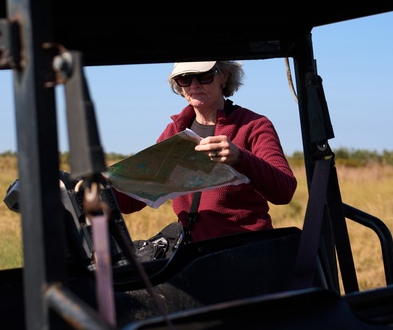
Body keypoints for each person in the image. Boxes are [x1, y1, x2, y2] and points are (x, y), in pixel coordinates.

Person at [116, 60, 297, 241]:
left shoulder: (253, 126)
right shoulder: (173, 131)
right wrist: (102, 187)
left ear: (224, 77)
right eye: (185, 78)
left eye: (204, 76)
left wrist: (240, 158)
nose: (194, 85)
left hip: (245, 250)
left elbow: (284, 191)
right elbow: (133, 198)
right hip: (194, 255)